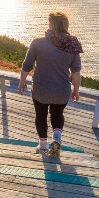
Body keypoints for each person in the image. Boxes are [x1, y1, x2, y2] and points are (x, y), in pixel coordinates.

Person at [18, 11, 83, 157]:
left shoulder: (37, 43)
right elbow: (76, 72)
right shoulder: (72, 45)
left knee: (40, 116)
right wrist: (76, 90)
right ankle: (57, 138)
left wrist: (22, 83)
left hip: (41, 89)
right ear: (66, 25)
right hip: (62, 91)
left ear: (50, 25)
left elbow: (26, 66)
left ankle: (42, 146)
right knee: (57, 114)